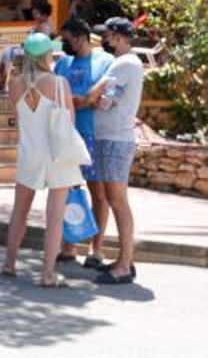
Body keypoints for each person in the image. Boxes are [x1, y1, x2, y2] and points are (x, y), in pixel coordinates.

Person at [0, 33, 82, 287]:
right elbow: (70, 122)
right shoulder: (59, 83)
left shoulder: (15, 83)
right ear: (46, 55)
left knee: (20, 209)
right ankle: (48, 273)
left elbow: (20, 122)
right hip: (56, 152)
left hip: (30, 151)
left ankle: (9, 263)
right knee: (54, 214)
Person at [87, 17, 144, 284]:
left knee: (118, 201)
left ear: (118, 37)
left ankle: (123, 265)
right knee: (114, 199)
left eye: (108, 36)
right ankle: (125, 260)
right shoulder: (128, 64)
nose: (105, 41)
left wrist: (91, 98)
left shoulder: (124, 64)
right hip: (112, 137)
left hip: (115, 139)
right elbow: (108, 100)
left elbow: (97, 96)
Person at [54, 18, 115, 267]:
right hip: (66, 134)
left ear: (81, 37)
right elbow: (58, 96)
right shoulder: (63, 64)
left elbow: (102, 98)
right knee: (67, 191)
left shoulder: (105, 62)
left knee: (97, 193)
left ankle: (96, 248)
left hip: (92, 133)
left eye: (67, 39)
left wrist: (87, 100)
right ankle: (68, 246)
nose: (64, 44)